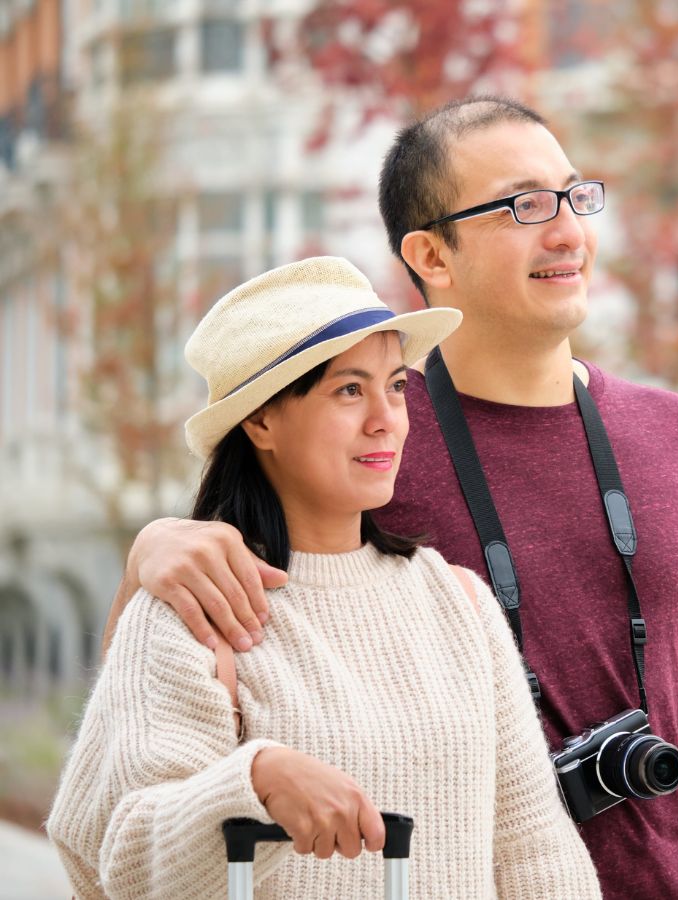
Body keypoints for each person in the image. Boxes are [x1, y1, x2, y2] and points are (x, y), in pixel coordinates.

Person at [108, 97, 678, 898]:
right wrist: (152, 551)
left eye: (574, 196)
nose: (566, 232)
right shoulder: (365, 444)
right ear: (431, 256)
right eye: (524, 206)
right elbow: (158, 684)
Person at [53, 257, 601, 899]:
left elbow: (533, 848)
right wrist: (255, 781)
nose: (385, 418)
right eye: (349, 390)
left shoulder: (461, 604)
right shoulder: (195, 610)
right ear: (260, 421)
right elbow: (129, 865)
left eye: (395, 386)